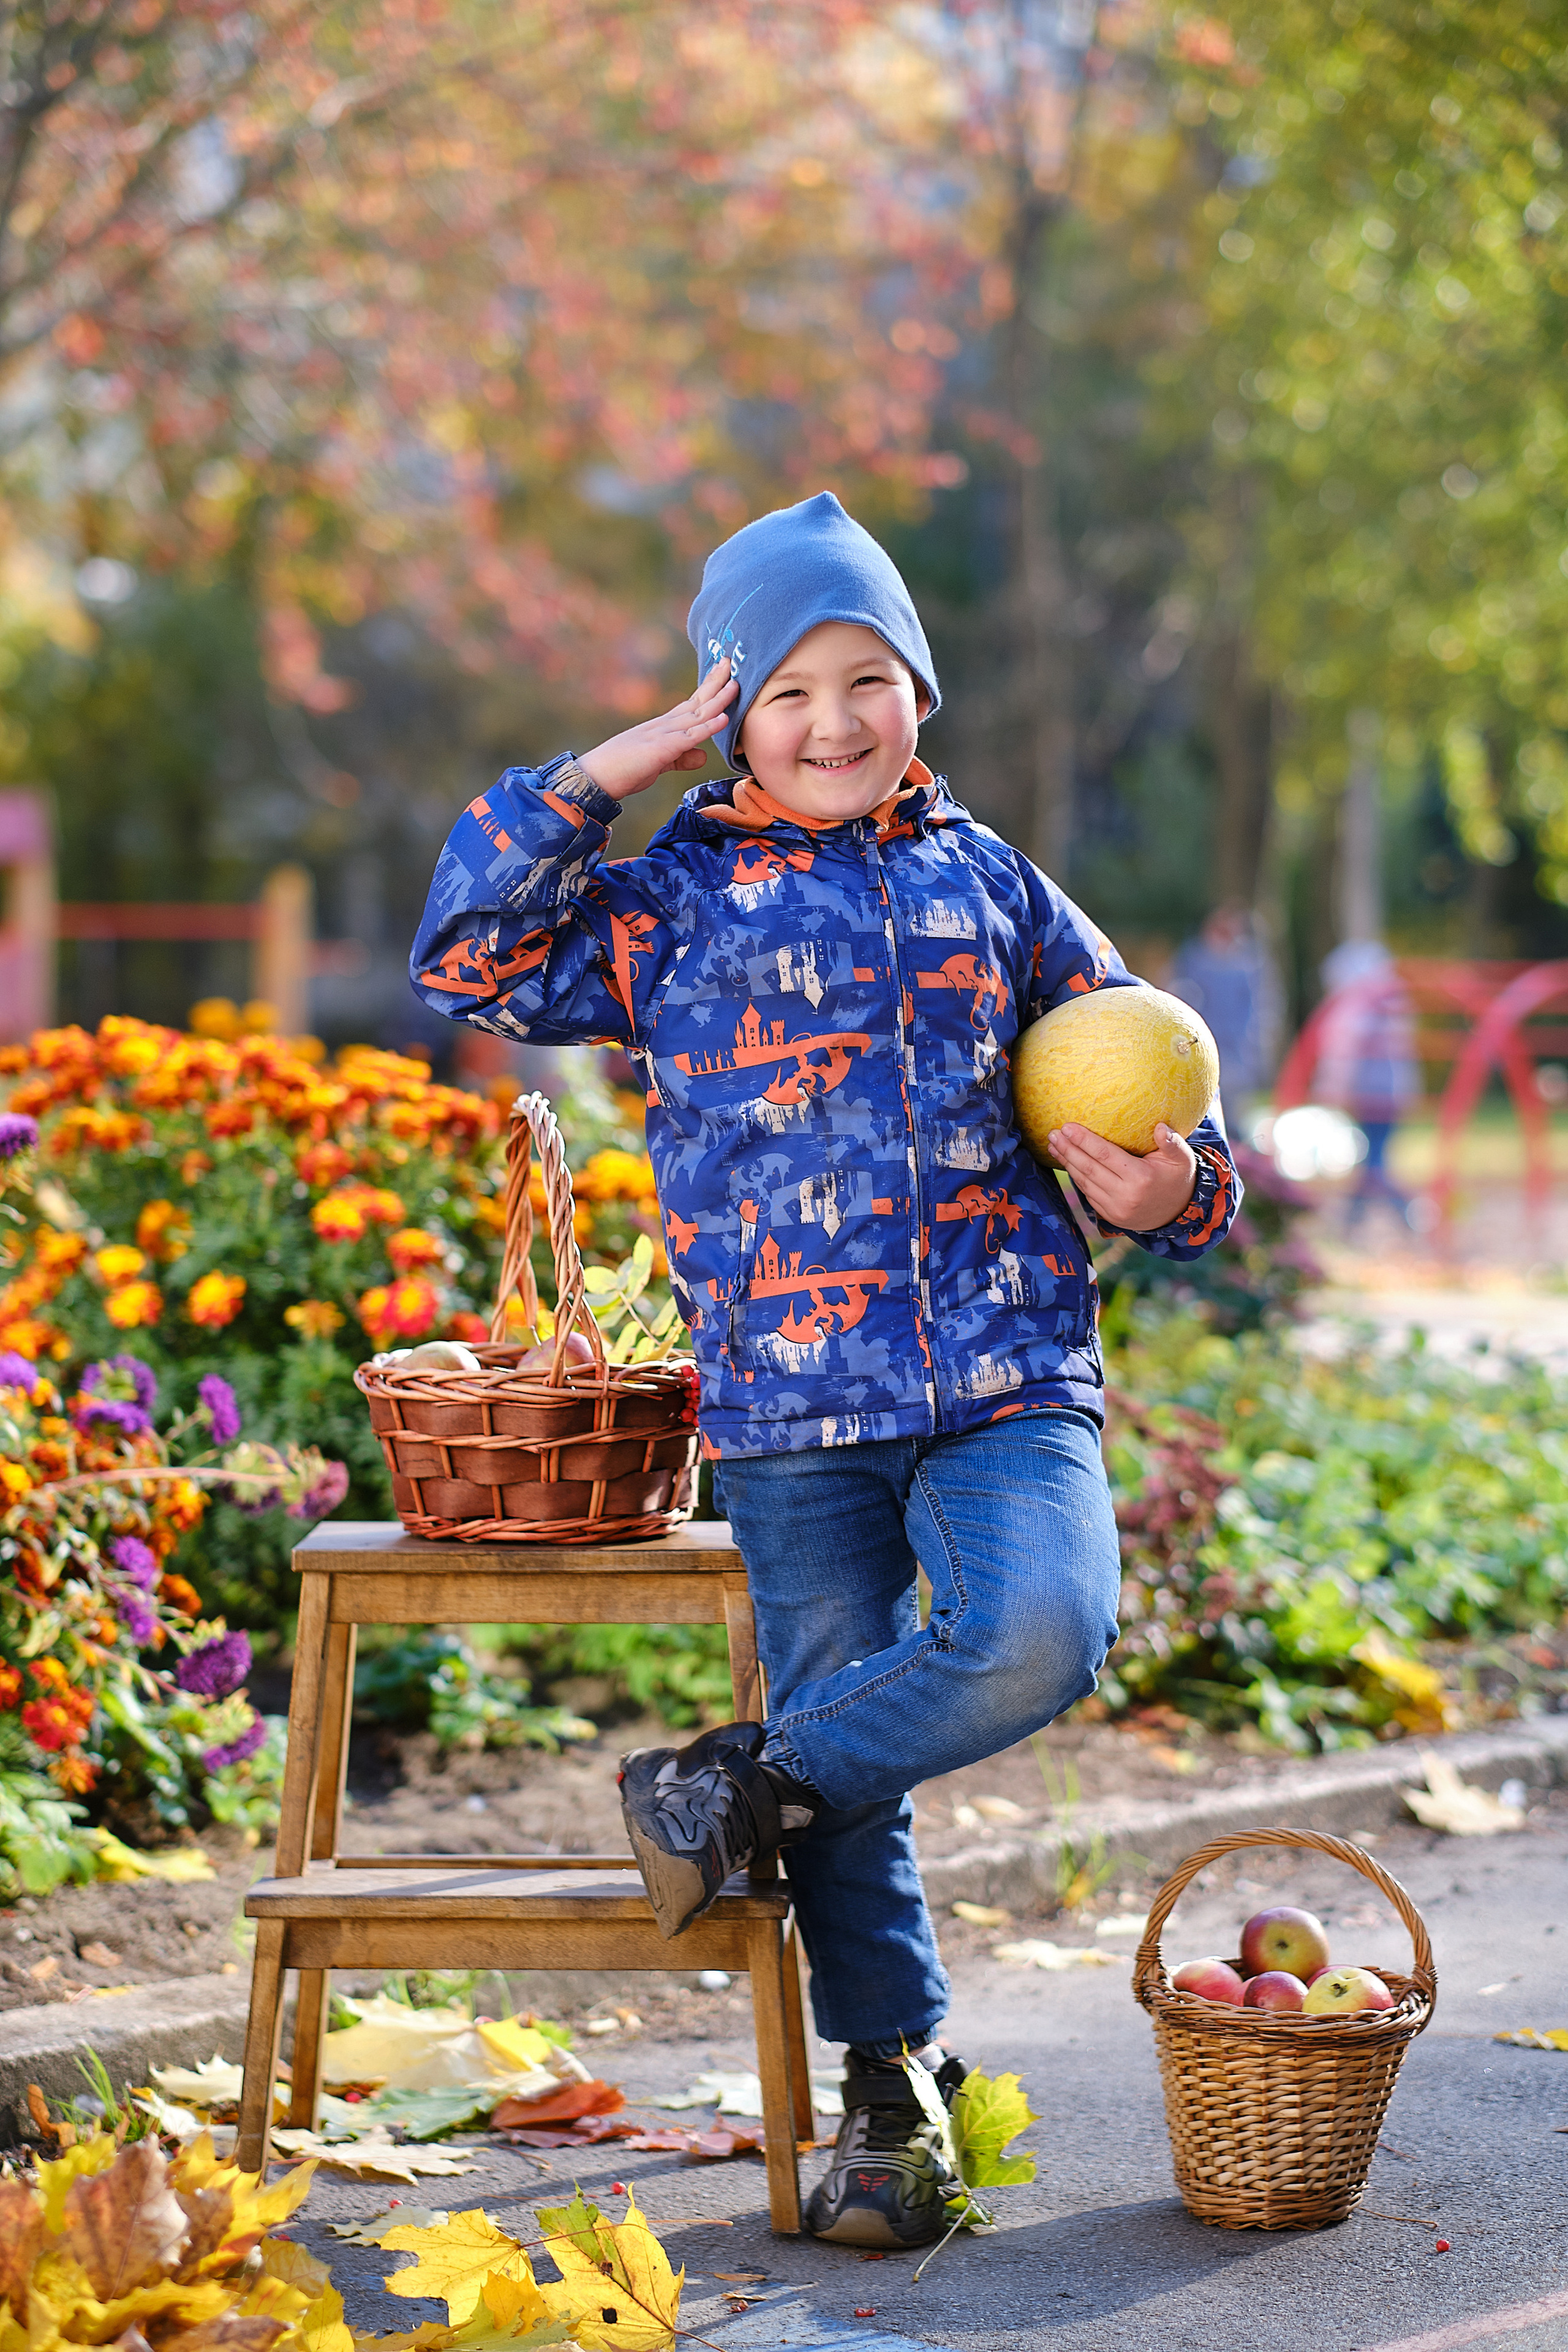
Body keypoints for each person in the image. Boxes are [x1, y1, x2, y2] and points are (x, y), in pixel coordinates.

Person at [409, 492, 1241, 2248]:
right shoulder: (664, 904)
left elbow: (1156, 1072)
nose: (835, 721)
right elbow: (466, 950)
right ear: (729, 711)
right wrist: (626, 761)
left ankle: (742, 1780)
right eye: (784, 690)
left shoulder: (994, 886)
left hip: (1008, 1369)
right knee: (852, 1740)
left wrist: (1177, 1190)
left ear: (919, 693)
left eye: (869, 678)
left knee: (1043, 1627)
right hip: (790, 1406)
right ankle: (889, 2089)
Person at [1313, 938, 1420, 1228]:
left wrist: (1333, 1088)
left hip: (1369, 1093)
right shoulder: (1393, 1004)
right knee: (1373, 1156)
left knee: (1374, 1161)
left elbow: (1344, 1052)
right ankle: (1355, 1219)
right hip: (1390, 1093)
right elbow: (1404, 1054)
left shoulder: (1357, 1007)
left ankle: (1404, 1211)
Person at [1169, 903, 1281, 1126]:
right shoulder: (1192, 960)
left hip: (1239, 1057)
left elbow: (1264, 1010)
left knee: (1236, 1119)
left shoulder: (1251, 964)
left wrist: (1258, 1050)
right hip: (1199, 1051)